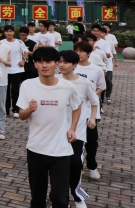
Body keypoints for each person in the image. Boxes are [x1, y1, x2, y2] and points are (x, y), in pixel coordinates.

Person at [17, 47, 81, 208]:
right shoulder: (27, 85)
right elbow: (22, 116)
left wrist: (72, 128)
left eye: (48, 61)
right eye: (40, 62)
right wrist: (29, 109)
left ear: (56, 64)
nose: (44, 65)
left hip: (61, 151)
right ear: (35, 65)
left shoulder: (67, 87)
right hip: (36, 149)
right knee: (38, 198)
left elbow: (77, 106)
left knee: (60, 199)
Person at [57, 50, 98, 208]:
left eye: (65, 62)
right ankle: (61, 197)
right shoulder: (54, 80)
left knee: (75, 164)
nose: (61, 65)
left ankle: (76, 194)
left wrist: (92, 118)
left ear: (75, 65)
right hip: (57, 130)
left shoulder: (84, 83)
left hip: (78, 131)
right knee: (59, 166)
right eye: (59, 61)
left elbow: (94, 103)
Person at [73, 41, 107, 181]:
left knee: (92, 140)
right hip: (73, 110)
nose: (79, 54)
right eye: (77, 51)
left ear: (88, 53)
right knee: (74, 140)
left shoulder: (96, 69)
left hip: (90, 110)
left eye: (82, 51)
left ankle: (92, 165)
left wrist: (92, 95)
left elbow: (101, 86)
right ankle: (76, 165)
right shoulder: (71, 68)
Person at [1, 25, 28, 121]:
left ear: (13, 32)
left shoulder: (19, 42)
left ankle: (16, 110)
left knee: (16, 91)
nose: (9, 33)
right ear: (4, 33)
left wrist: (23, 60)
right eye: (7, 31)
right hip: (5, 70)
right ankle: (6, 110)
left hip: (17, 70)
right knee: (6, 91)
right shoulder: (1, 43)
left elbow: (26, 52)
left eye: (11, 31)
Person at [91, 25, 115, 106]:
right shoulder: (87, 42)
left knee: (106, 81)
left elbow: (108, 55)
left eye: (98, 31)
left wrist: (98, 51)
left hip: (104, 67)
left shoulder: (105, 43)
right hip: (91, 66)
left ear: (101, 33)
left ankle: (103, 100)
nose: (96, 32)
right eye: (94, 30)